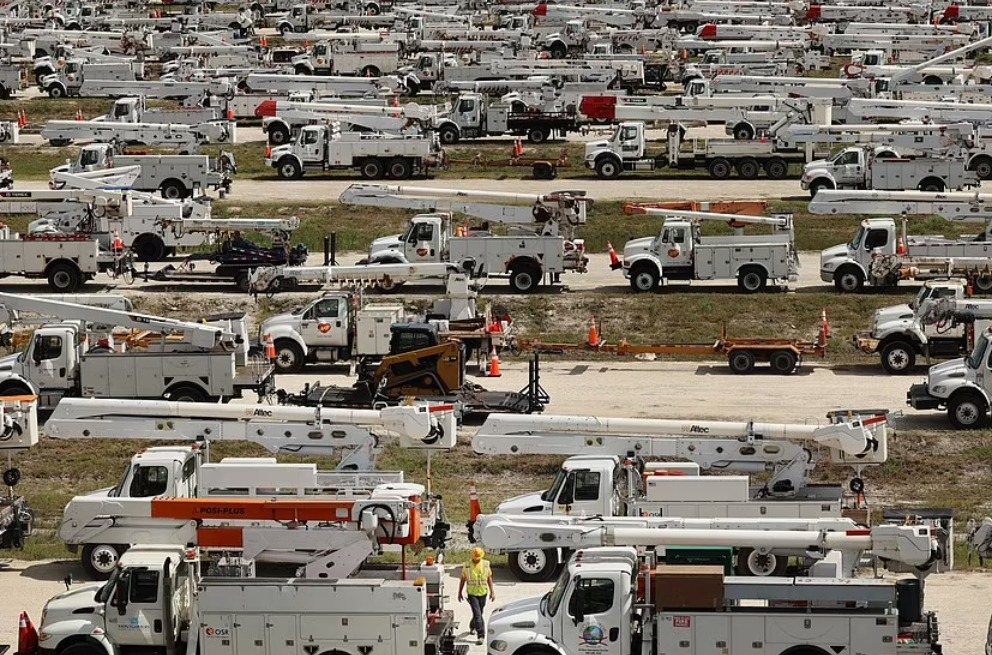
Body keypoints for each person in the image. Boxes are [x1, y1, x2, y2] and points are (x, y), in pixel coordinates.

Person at [458, 547, 495, 645]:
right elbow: (463, 579)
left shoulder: (486, 564)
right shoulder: (467, 565)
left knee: (479, 613)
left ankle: (472, 626)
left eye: (478, 558)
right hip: (472, 594)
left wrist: (492, 591)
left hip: (483, 593)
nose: (477, 559)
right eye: (475, 558)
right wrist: (459, 592)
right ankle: (481, 636)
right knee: (478, 615)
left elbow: (489, 578)